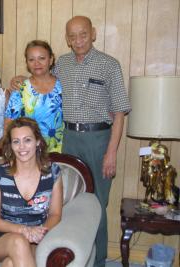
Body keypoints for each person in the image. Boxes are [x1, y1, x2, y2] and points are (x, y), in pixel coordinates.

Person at [55, 16, 131, 266]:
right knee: (67, 200)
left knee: (97, 204)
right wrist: (17, 82)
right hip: (68, 139)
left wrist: (111, 153)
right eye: (72, 36)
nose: (78, 40)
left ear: (93, 33)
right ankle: (73, 257)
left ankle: (98, 260)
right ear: (67, 39)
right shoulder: (61, 64)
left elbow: (119, 112)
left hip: (99, 140)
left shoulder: (109, 64)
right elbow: (43, 85)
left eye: (83, 34)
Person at [0, 117, 63, 267]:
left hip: (38, 236)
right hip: (4, 237)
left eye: (27, 140)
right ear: (11, 145)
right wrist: (23, 230)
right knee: (19, 242)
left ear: (38, 142)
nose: (22, 147)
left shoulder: (52, 173)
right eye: (16, 141)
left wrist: (40, 232)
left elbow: (55, 214)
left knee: (10, 264)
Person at [5, 40, 63, 153]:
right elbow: (9, 123)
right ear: (27, 63)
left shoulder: (63, 86)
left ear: (51, 60)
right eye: (31, 59)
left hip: (61, 150)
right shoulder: (20, 89)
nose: (37, 63)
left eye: (42, 58)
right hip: (28, 152)